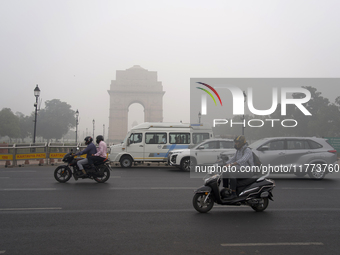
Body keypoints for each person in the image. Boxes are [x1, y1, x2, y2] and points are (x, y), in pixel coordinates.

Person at [224, 135, 254, 200]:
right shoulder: (239, 150)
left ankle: (233, 193)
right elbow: (233, 158)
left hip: (248, 171)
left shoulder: (247, 150)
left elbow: (243, 160)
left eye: (237, 142)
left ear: (242, 142)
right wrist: (225, 164)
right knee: (225, 172)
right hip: (241, 170)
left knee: (232, 174)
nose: (235, 144)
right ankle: (226, 190)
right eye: (235, 142)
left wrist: (231, 164)